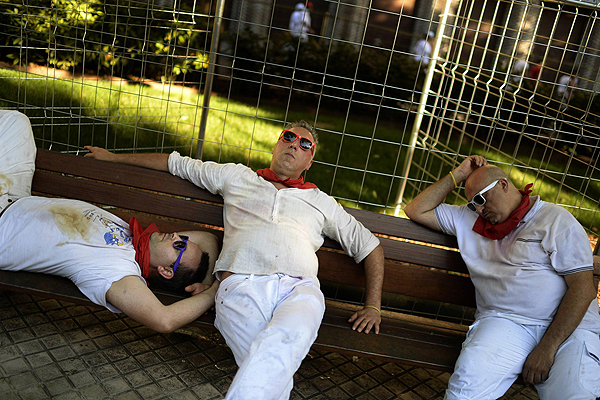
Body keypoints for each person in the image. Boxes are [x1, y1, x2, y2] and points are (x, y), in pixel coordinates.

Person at [85, 120, 385, 400]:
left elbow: (370, 247)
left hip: (299, 290)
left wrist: (372, 306)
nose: (295, 144)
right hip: (240, 286)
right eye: (289, 137)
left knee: (271, 353)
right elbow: (175, 163)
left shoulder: (323, 203)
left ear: (309, 161)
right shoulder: (237, 177)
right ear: (275, 146)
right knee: (272, 358)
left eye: (305, 144)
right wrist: (113, 158)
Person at [0, 110, 220, 334]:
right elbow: (208, 238)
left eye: (179, 245)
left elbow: (164, 320)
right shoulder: (136, 240)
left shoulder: (117, 273)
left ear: (165, 271)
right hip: (15, 196)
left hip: (2, 228)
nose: (176, 236)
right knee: (15, 121)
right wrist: (208, 281)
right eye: (182, 238)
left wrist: (213, 294)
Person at [404, 155, 600, 399]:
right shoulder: (469, 219)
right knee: (463, 393)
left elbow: (583, 289)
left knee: (576, 394)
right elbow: (415, 209)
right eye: (472, 203)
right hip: (504, 322)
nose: (478, 208)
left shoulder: (555, 220)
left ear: (503, 185)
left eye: (480, 199)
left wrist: (547, 348)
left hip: (567, 329)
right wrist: (459, 174)